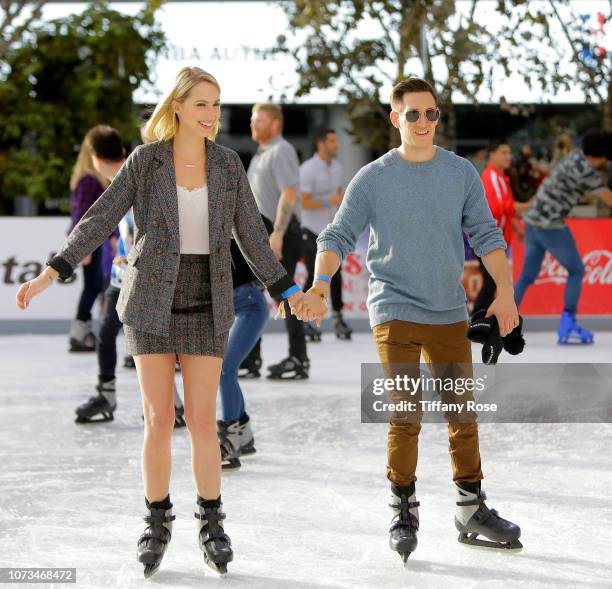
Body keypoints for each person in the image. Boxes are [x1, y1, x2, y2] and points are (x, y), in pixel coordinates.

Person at [16, 66, 305, 578]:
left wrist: (283, 287)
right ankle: (157, 520)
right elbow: (100, 218)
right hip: (149, 298)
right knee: (156, 419)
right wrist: (53, 270)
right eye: (201, 104)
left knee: (200, 422)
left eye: (217, 104)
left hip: (207, 298)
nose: (212, 114)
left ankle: (211, 521)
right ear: (177, 107)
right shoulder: (146, 162)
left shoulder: (227, 165)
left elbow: (251, 237)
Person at [299, 78, 523, 561]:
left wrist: (505, 292)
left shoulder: (459, 172)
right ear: (395, 118)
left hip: (446, 310)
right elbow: (336, 236)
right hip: (394, 307)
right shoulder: (374, 177)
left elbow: (486, 233)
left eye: (431, 114)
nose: (423, 122)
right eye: (413, 114)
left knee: (463, 415)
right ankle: (403, 506)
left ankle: (470, 507)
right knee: (406, 412)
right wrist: (320, 284)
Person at [73, 120, 186, 427]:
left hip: (138, 275)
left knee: (142, 342)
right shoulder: (131, 173)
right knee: (117, 336)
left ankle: (168, 404)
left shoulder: (138, 173)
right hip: (123, 275)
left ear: (95, 159)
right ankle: (116, 396)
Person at [514, 128, 612, 344]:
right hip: (550, 226)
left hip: (532, 221)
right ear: (603, 157)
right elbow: (608, 199)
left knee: (527, 276)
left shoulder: (575, 155)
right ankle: (568, 323)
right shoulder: (587, 171)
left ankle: (501, 322)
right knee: (577, 270)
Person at [242, 103, 310, 380]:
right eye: (252, 120)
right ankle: (251, 358)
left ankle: (298, 357)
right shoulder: (261, 154)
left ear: (275, 124)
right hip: (263, 236)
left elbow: (290, 193)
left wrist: (278, 234)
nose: (252, 125)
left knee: (288, 296)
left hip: (280, 234)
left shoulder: (281, 150)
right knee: (254, 295)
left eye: (259, 120)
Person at [300, 128, 353, 341]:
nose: (337, 145)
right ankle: (305, 319)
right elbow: (302, 201)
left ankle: (338, 317)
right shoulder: (308, 169)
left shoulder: (337, 167)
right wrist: (327, 202)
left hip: (331, 229)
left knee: (336, 273)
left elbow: (338, 195)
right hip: (310, 229)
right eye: (332, 141)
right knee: (315, 274)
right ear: (321, 144)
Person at [67, 126, 116, 352]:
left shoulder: (94, 179)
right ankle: (79, 332)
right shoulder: (89, 180)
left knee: (96, 285)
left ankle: (82, 331)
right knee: (92, 286)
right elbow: (81, 214)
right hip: (90, 241)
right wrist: (82, 247)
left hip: (96, 241)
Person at [473, 138, 532, 314]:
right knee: (492, 283)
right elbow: (499, 207)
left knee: (492, 283)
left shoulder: (498, 176)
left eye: (509, 153)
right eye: (504, 153)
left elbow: (504, 207)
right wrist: (527, 206)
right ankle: (477, 320)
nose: (509, 157)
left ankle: (479, 320)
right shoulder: (492, 176)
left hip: (493, 240)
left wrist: (516, 227)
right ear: (492, 154)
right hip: (489, 240)